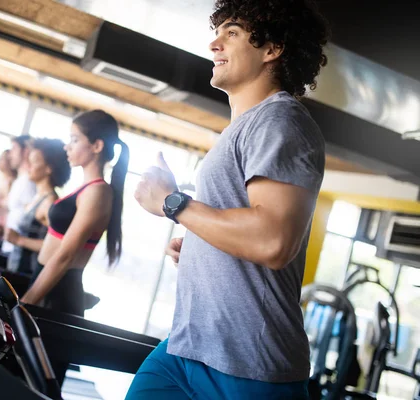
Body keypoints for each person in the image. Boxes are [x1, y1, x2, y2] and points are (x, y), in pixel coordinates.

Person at [130, 0, 330, 399]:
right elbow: (247, 226)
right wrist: (203, 247)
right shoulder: (243, 129)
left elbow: (273, 241)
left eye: (232, 33)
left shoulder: (280, 120)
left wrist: (174, 203)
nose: (214, 44)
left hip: (249, 367)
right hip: (188, 346)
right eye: (217, 32)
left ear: (272, 49)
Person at [19, 109, 129, 316]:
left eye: (75, 140)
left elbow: (66, 255)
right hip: (47, 281)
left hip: (58, 290)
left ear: (96, 146)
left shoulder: (98, 192)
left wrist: (26, 303)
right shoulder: (87, 189)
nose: (66, 146)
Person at [4, 138, 71, 276]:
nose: (28, 167)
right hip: (15, 267)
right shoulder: (37, 196)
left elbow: (58, 247)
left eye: (33, 162)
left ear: (48, 168)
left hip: (26, 275)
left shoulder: (50, 202)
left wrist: (19, 240)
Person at [1, 135, 37, 254]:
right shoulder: (20, 180)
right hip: (10, 246)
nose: (10, 154)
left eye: (14, 149)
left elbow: (31, 219)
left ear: (25, 151)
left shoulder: (28, 182)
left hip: (17, 250)